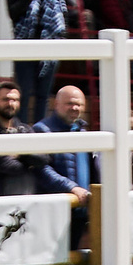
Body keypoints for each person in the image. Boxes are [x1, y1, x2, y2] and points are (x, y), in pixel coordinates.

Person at [6, 0, 74, 117]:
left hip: (49, 44)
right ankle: (20, 129)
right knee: (24, 92)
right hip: (25, 45)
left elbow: (66, 2)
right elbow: (13, 14)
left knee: (43, 94)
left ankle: (39, 129)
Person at [31, 84, 98, 252]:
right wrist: (72, 188)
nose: (74, 108)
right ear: (56, 104)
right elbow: (41, 170)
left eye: (79, 104)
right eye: (69, 103)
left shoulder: (83, 132)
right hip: (54, 210)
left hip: (81, 210)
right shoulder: (42, 130)